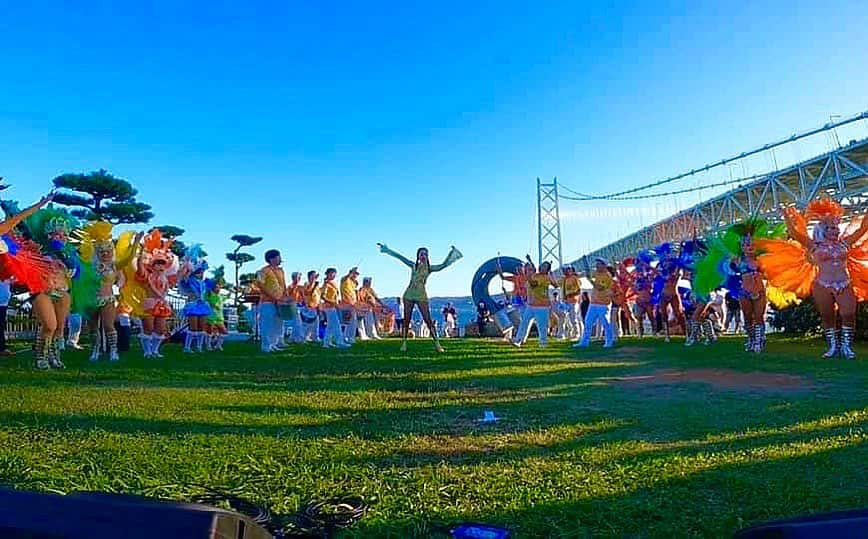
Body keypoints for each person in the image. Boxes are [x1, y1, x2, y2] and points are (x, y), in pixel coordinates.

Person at [757, 198, 868, 359]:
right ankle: (833, 346)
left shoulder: (845, 243)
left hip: (844, 283)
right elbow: (795, 234)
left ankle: (847, 347)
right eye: (831, 228)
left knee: (848, 314)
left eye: (836, 228)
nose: (835, 231)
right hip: (822, 284)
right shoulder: (814, 245)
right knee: (828, 316)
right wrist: (787, 217)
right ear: (823, 230)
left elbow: (863, 229)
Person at [378, 243, 462, 352]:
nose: (423, 256)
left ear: (427, 256)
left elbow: (442, 266)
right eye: (421, 254)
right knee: (406, 319)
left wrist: (452, 254)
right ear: (418, 256)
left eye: (425, 254)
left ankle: (437, 343)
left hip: (421, 295)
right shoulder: (413, 265)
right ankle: (404, 343)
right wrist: (387, 250)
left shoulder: (429, 268)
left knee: (428, 319)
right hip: (409, 294)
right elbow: (400, 257)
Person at [80, 222, 140, 362]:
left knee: (108, 326)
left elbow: (129, 259)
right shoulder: (90, 266)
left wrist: (135, 243)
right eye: (102, 251)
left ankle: (113, 350)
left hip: (108, 299)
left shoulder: (114, 266)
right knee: (93, 328)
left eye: (108, 251)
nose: (105, 253)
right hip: (91, 300)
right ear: (97, 252)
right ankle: (95, 350)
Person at [129, 229, 179, 359]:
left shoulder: (165, 278)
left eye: (163, 263)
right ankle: (147, 352)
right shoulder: (147, 276)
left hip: (161, 304)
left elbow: (177, 278)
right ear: (153, 265)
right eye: (158, 263)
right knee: (148, 328)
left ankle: (155, 350)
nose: (161, 265)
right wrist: (140, 253)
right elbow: (139, 267)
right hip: (150, 303)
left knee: (160, 329)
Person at [512, 261, 559, 348]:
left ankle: (543, 343)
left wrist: (528, 276)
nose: (542, 267)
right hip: (531, 305)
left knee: (542, 326)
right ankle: (518, 340)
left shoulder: (545, 278)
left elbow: (533, 284)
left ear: (547, 270)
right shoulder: (535, 275)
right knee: (524, 323)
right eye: (542, 265)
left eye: (545, 266)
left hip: (542, 306)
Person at [178, 245, 212, 353]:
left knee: (202, 327)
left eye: (202, 271)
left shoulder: (203, 283)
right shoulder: (189, 280)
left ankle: (199, 347)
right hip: (192, 304)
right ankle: (187, 347)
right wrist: (187, 263)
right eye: (199, 271)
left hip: (202, 305)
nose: (201, 273)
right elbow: (182, 277)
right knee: (193, 327)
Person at [575, 259, 615, 348]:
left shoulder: (607, 276)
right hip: (593, 303)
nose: (596, 266)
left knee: (605, 322)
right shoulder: (597, 273)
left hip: (603, 303)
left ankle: (609, 341)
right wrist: (587, 274)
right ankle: (584, 342)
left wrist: (590, 280)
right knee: (588, 322)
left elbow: (599, 287)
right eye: (596, 264)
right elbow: (589, 275)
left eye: (598, 264)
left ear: (604, 265)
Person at [255, 249, 287, 353]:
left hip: (280, 302)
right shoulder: (263, 270)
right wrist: (271, 296)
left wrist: (285, 297)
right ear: (271, 259)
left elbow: (283, 286)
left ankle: (274, 344)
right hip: (267, 301)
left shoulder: (281, 271)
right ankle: (266, 346)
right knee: (267, 324)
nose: (280, 259)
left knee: (278, 324)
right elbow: (259, 285)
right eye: (278, 257)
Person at [321, 268, 349, 348]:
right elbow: (323, 296)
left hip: (333, 306)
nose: (334, 275)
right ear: (328, 274)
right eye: (332, 273)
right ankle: (339, 342)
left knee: (330, 326)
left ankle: (326, 343)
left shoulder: (332, 283)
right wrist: (332, 302)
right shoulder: (326, 284)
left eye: (334, 273)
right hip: (329, 307)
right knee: (336, 325)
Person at [339, 267, 361, 344]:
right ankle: (345, 337)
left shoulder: (352, 282)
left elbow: (355, 286)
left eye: (357, 274)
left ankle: (350, 337)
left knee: (353, 322)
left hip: (352, 304)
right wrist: (351, 272)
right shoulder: (344, 280)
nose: (356, 276)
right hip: (346, 304)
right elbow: (346, 277)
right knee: (347, 322)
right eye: (355, 274)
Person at [561, 266, 583, 339]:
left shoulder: (574, 278)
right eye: (563, 270)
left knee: (574, 318)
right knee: (568, 318)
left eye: (566, 270)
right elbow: (564, 290)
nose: (564, 272)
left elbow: (579, 290)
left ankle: (577, 334)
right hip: (567, 301)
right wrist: (564, 298)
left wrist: (571, 294)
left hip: (574, 301)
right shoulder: (565, 279)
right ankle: (571, 333)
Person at [301, 270, 321, 343]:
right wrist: (313, 282)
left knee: (315, 323)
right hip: (308, 306)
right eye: (313, 276)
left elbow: (318, 296)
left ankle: (315, 337)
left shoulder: (317, 286)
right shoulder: (307, 284)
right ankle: (303, 338)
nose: (314, 277)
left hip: (315, 306)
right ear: (309, 277)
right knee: (306, 324)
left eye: (315, 276)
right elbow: (308, 291)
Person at [286, 271, 305, 343]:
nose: (298, 279)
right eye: (297, 277)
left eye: (299, 278)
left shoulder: (300, 287)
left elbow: (303, 296)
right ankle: (299, 338)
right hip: (292, 305)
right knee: (297, 322)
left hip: (299, 305)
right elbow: (288, 296)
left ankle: (293, 338)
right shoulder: (290, 287)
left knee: (297, 322)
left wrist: (304, 304)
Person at [0, 278, 11, 357]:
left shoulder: (8, 273)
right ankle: (2, 348)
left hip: (3, 303)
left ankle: (2, 348)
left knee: (1, 326)